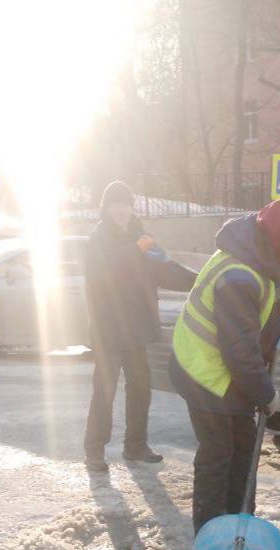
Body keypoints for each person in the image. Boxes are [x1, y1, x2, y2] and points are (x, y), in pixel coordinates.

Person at [169, 198, 280, 533]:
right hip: (204, 370)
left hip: (229, 367)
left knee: (243, 454)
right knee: (219, 455)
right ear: (279, 234)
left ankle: (239, 528)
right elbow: (239, 353)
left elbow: (258, 311)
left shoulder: (266, 254)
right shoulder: (239, 273)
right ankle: (212, 542)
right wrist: (266, 394)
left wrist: (275, 325)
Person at [83, 181, 197, 472]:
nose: (121, 210)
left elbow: (165, 268)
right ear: (106, 208)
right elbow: (104, 275)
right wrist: (136, 250)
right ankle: (95, 450)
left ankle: (135, 445)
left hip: (137, 329)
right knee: (104, 391)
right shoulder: (97, 240)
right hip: (108, 330)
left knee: (141, 388)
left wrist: (198, 280)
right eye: (115, 204)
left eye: (126, 203)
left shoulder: (142, 238)